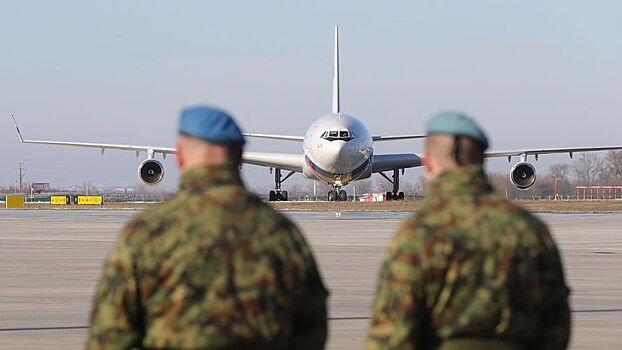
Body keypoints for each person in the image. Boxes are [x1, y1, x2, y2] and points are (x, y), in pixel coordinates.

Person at [86, 106, 328, 349]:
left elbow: (109, 336)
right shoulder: (281, 233)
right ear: (240, 154)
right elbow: (312, 330)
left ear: (179, 156)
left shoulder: (143, 234)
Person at [366, 112, 570, 350]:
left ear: (428, 163)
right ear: (482, 159)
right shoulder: (531, 229)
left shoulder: (417, 234)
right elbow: (557, 326)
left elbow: (391, 335)